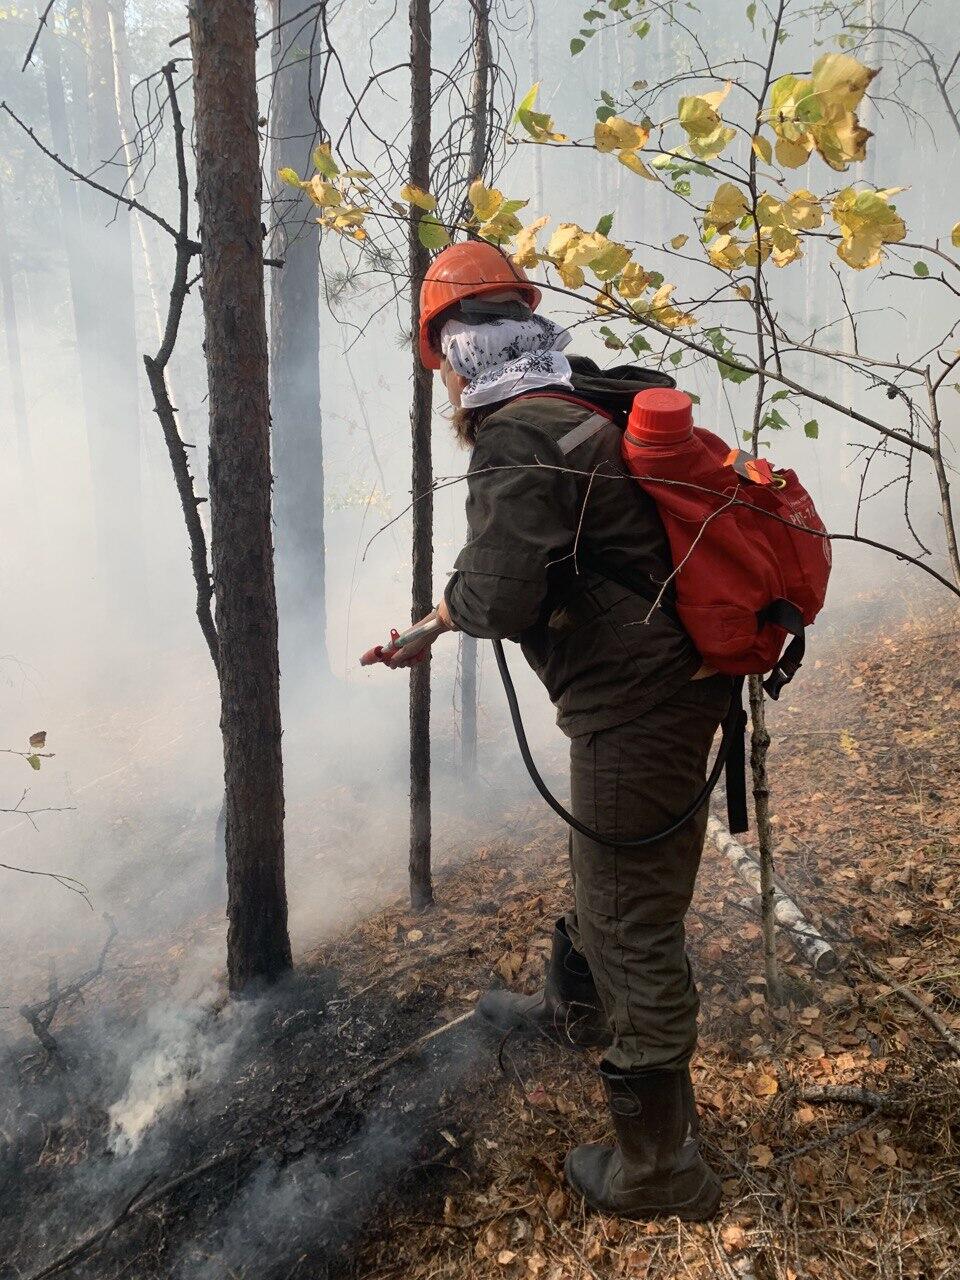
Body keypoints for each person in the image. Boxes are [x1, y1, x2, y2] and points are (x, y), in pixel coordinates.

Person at [388, 240, 732, 1222]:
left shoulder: (520, 434)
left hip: (641, 702)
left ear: (457, 355)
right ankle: (573, 1010)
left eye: (444, 363)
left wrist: (454, 604)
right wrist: (439, 621)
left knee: (631, 919)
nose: (446, 382)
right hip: (660, 686)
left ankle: (662, 1169)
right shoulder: (576, 400)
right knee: (610, 878)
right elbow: (540, 566)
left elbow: (499, 592)